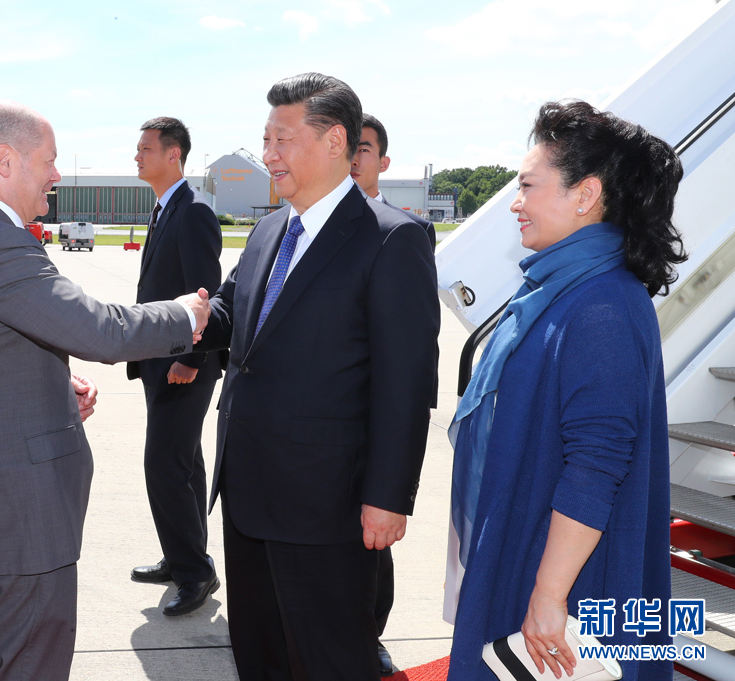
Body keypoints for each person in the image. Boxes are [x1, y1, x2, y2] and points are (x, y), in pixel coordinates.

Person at [0, 101, 210, 681]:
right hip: (21, 518)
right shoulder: (0, 244)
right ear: (3, 161)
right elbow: (101, 327)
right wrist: (182, 313)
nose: (56, 175)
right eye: (47, 162)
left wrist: (49, 381)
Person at [199, 73, 440, 681]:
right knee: (260, 656)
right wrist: (177, 318)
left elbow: (405, 384)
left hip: (328, 509)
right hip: (248, 494)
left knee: (330, 659)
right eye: (265, 139)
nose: (268, 155)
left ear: (336, 142)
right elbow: (234, 318)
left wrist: (388, 497)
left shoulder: (392, 239)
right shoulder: (268, 231)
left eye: (282, 139)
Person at [445, 99, 685, 681]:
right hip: (539, 554)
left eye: (527, 186)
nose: (516, 203)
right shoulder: (564, 289)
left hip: (572, 588)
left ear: (585, 195)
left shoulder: (600, 304)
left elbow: (595, 466)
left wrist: (549, 598)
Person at [348, 111, 439, 676]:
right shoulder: (295, 224)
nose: (354, 157)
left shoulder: (404, 230)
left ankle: (371, 632)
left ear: (383, 161)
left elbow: (413, 342)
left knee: (372, 545)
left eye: (364, 148)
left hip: (374, 414)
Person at [127, 117, 224, 616]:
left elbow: (206, 291)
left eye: (145, 149)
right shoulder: (165, 210)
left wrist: (190, 358)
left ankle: (195, 572)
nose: (136, 156)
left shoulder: (192, 212)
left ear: (174, 155)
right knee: (185, 463)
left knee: (163, 465)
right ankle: (184, 554)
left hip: (182, 366)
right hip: (159, 363)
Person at [351, 113, 437, 252]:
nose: (352, 160)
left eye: (363, 150)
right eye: (346, 150)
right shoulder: (313, 224)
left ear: (383, 164)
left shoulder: (415, 228)